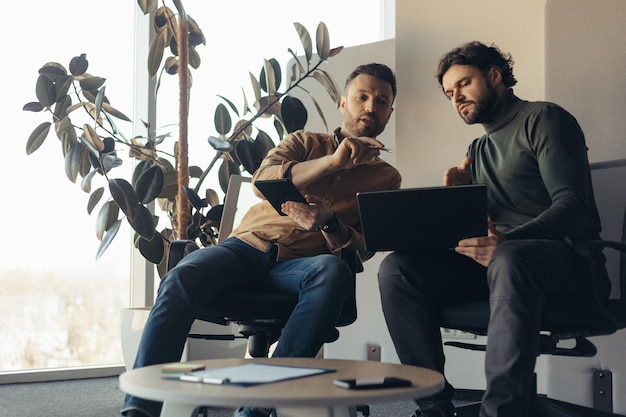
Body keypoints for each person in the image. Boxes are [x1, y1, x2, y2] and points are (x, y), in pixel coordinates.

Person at [121, 62, 402, 417]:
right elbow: (262, 179)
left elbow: (363, 247)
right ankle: (139, 410)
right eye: (362, 97)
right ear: (344, 103)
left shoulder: (387, 178)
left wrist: (330, 224)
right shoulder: (303, 142)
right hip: (245, 248)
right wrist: (332, 162)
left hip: (303, 268)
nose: (370, 107)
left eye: (381, 102)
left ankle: (256, 409)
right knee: (181, 275)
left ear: (389, 113)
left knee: (333, 271)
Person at [377, 41, 610, 417]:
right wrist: (458, 200)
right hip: (504, 264)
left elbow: (573, 207)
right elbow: (487, 225)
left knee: (510, 257)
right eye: (450, 93)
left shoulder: (544, 119)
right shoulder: (479, 148)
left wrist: (505, 242)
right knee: (398, 269)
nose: (457, 98)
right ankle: (432, 407)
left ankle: (501, 411)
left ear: (495, 75)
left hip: (568, 264)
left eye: (464, 84)